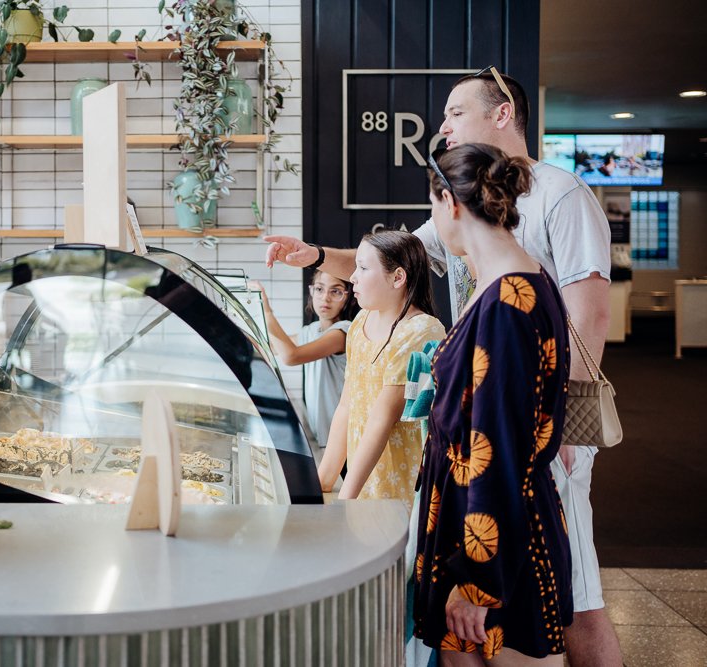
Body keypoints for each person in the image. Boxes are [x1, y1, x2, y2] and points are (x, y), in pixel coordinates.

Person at [263, 69, 618, 667]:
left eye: (455, 112)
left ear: (502, 113)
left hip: (517, 492)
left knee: (578, 603)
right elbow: (400, 251)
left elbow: (590, 313)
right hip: (486, 502)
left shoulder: (555, 206)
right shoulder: (491, 253)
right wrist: (320, 256)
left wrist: (560, 428)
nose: (444, 125)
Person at [413, 143, 572, 664]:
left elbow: (497, 448)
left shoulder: (507, 302)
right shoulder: (503, 286)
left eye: (432, 207)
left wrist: (478, 580)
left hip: (496, 548)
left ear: (450, 204)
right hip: (480, 531)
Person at [319, 231, 445, 506]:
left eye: (363, 268)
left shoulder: (422, 330)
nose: (352, 277)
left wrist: (344, 501)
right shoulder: (360, 321)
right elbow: (347, 406)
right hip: (362, 484)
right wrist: (324, 482)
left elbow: (382, 419)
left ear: (398, 278)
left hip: (402, 493)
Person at [251, 271, 358, 447]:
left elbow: (291, 356)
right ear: (312, 292)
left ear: (348, 297)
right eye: (319, 289)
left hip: (343, 440)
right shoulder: (311, 331)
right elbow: (273, 347)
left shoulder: (342, 332)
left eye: (336, 291)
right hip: (325, 438)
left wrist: (267, 311)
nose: (325, 298)